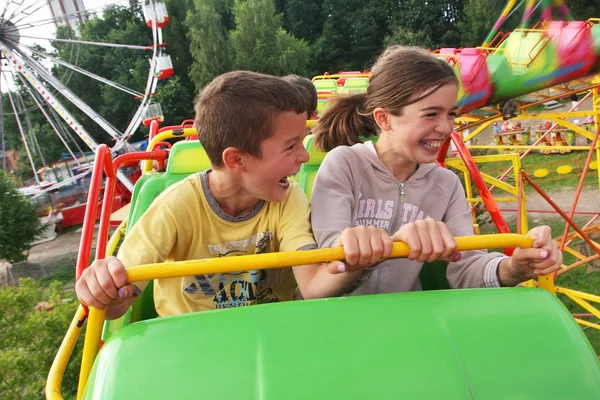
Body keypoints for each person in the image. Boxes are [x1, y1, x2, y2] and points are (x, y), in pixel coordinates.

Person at [301, 45, 562, 299]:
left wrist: (512, 268)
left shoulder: (445, 184)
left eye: (451, 114)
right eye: (431, 114)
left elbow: (465, 267)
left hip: (406, 318)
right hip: (337, 319)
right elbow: (329, 261)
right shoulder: (345, 164)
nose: (447, 128)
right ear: (384, 119)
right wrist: (393, 244)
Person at [75, 71, 341, 318]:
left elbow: (312, 285)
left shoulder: (288, 199)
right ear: (236, 160)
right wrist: (102, 288)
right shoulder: (175, 207)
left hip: (267, 333)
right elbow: (116, 306)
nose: (305, 156)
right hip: (190, 342)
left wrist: (352, 257)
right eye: (291, 146)